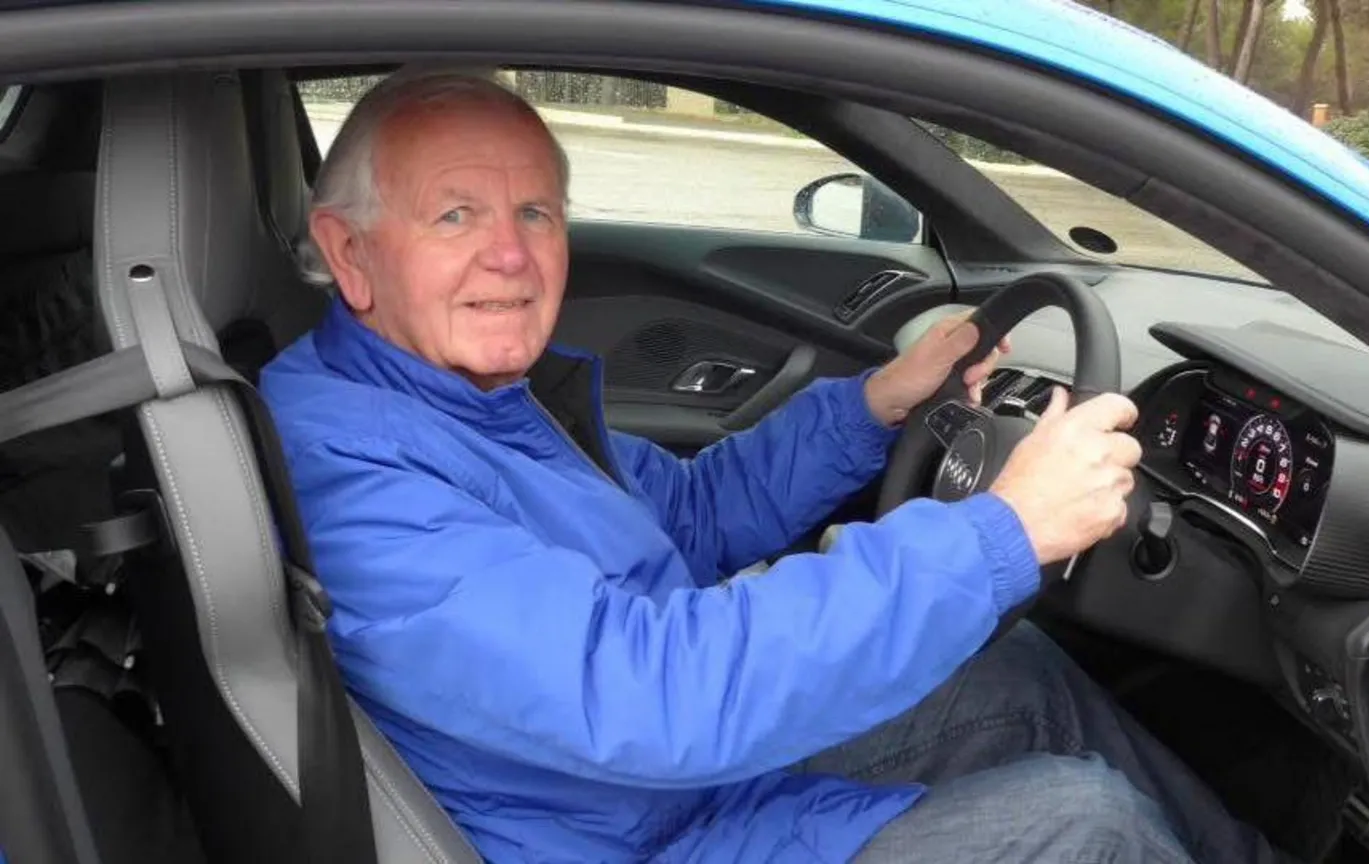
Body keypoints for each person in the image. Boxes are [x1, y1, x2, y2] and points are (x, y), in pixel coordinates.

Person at [260, 67, 1284, 863]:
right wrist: (1002, 533)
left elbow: (690, 521)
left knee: (1015, 674)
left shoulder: (479, 402)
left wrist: (876, 407)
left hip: (648, 794)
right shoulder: (346, 460)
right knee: (1083, 825)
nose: (515, 257)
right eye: (456, 215)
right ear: (349, 254)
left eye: (536, 211)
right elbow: (649, 699)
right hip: (619, 830)